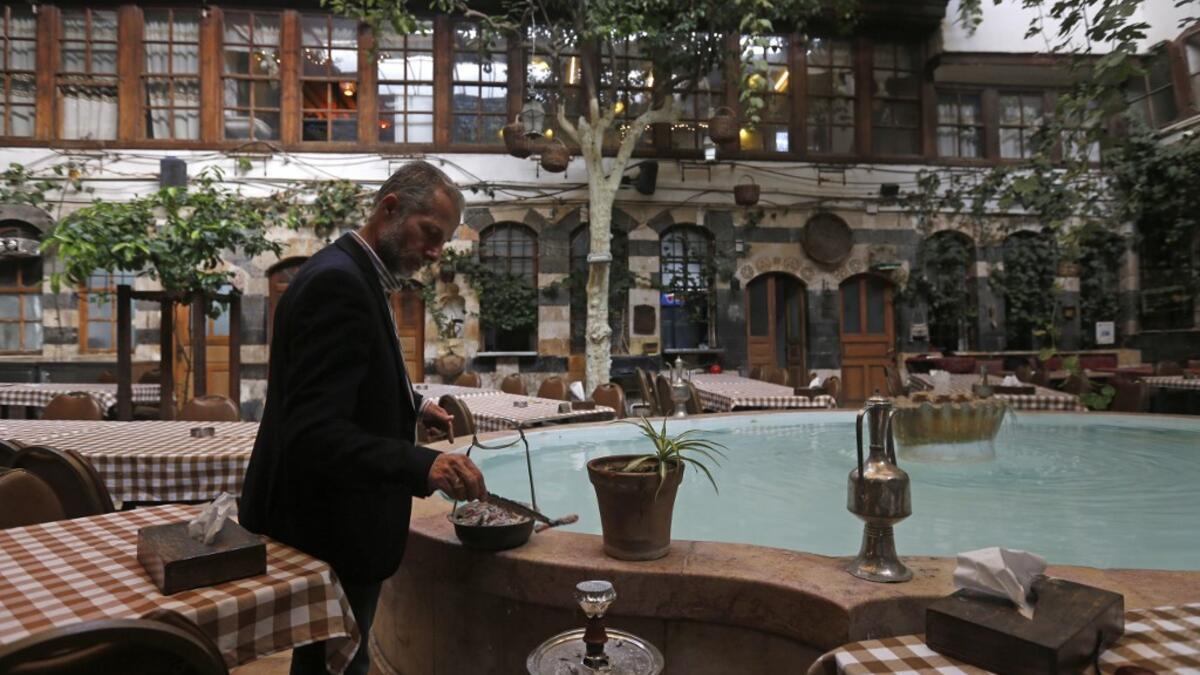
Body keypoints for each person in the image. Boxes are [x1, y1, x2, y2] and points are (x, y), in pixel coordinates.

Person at [240, 161, 486, 675]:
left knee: (333, 661)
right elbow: (314, 433)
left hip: (329, 518)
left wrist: (414, 405)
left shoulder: (352, 272)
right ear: (390, 209)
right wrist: (423, 466)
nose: (437, 251)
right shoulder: (340, 284)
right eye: (430, 233)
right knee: (338, 665)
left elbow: (350, 378)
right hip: (330, 526)